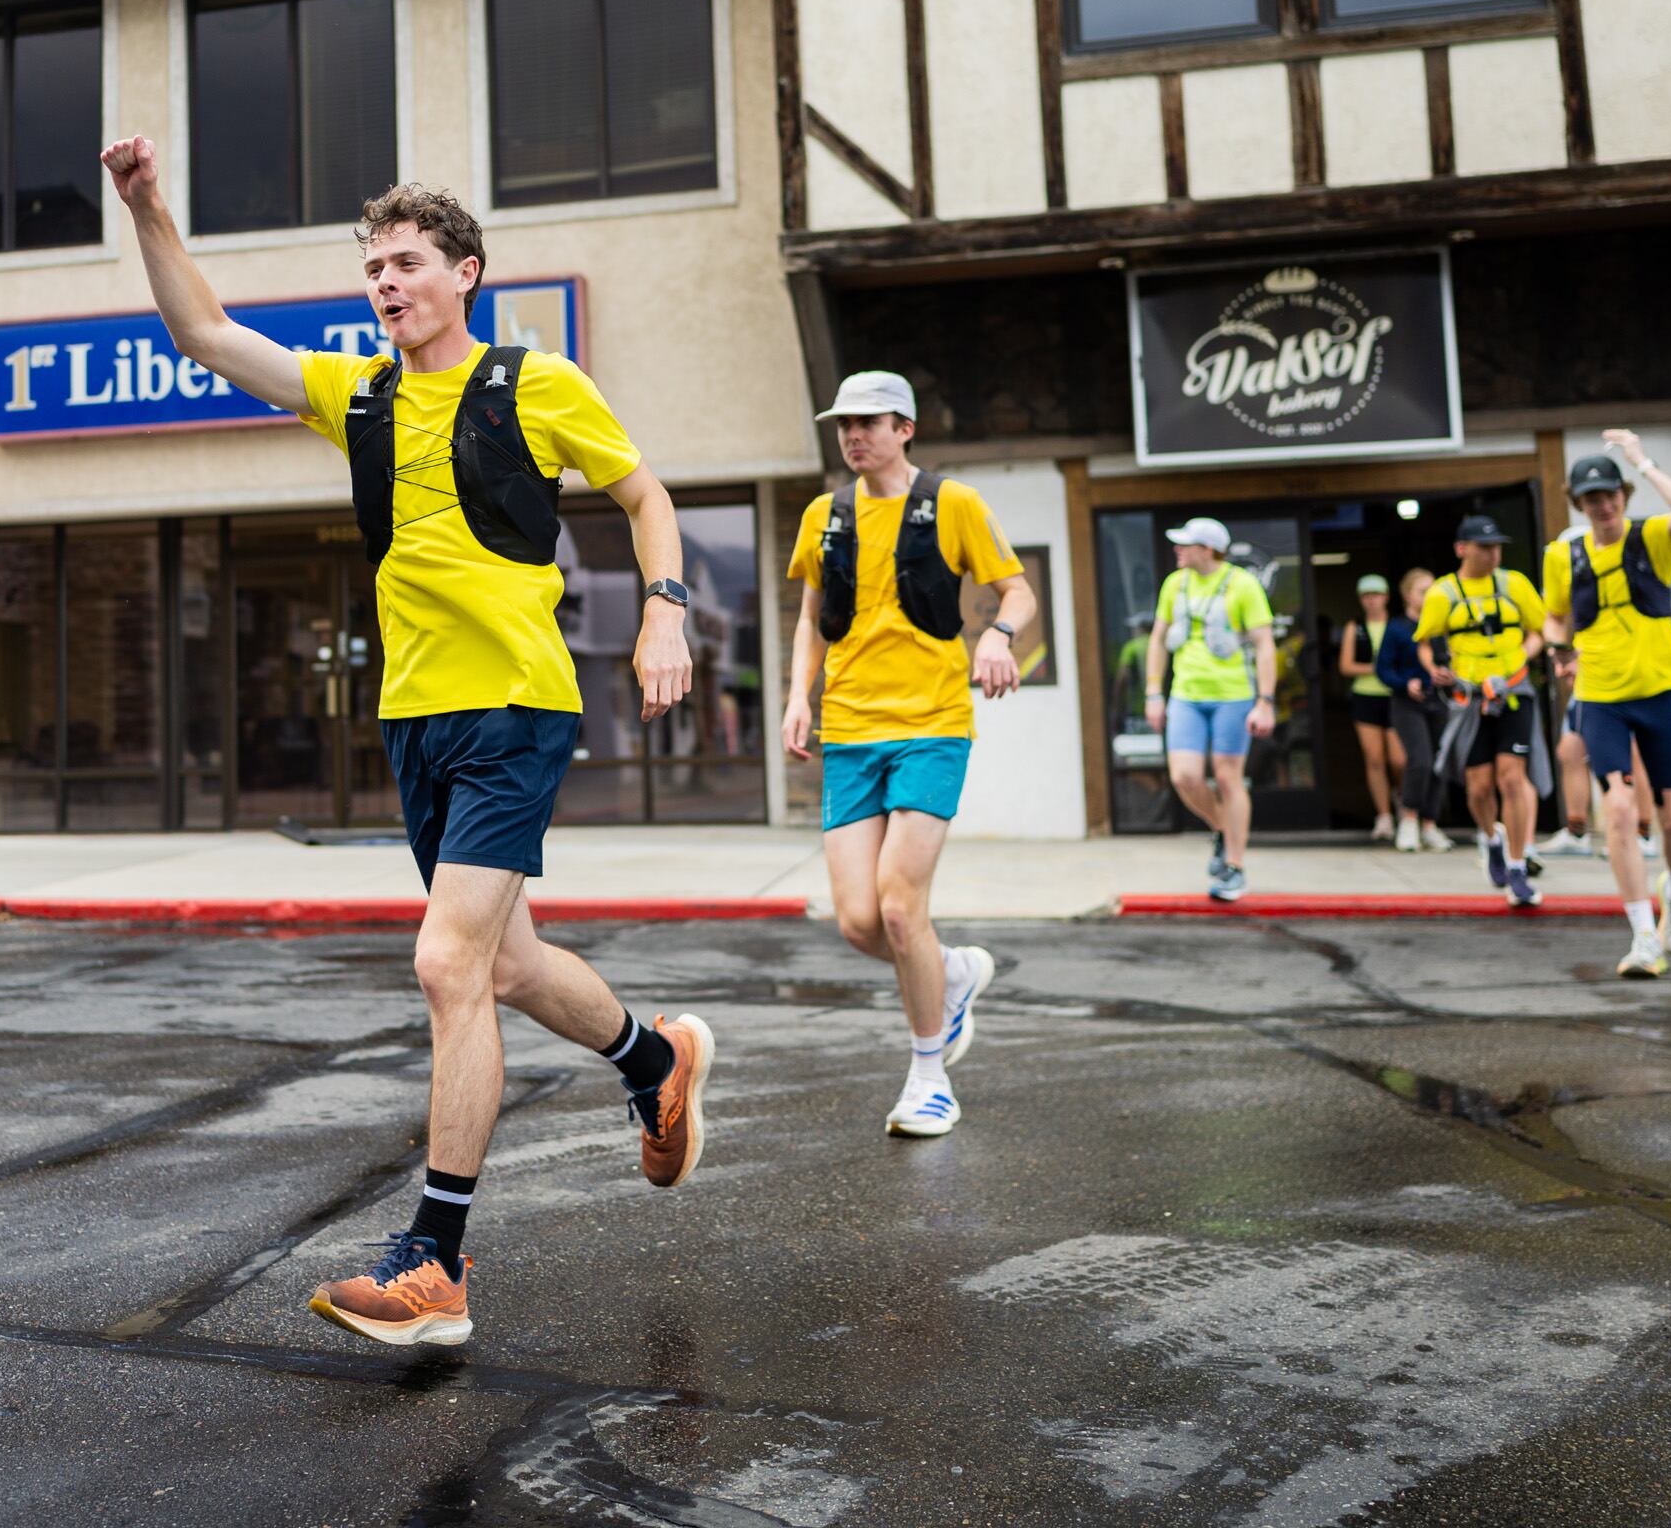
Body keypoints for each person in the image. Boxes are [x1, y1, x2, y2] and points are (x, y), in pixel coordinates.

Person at [99, 137, 714, 1347]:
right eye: (374, 267)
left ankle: (436, 1259)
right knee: (511, 966)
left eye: (409, 262)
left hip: (514, 705)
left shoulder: (538, 384)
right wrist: (148, 209)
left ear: (465, 273)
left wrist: (664, 609)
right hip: (415, 718)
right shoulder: (360, 393)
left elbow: (645, 495)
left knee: (446, 965)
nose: (387, 284)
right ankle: (655, 1060)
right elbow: (208, 336)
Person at [779, 370, 1032, 1138]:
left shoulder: (951, 504)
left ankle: (930, 1076)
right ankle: (951, 973)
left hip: (931, 723)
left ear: (905, 428)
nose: (853, 434)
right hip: (851, 732)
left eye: (869, 421)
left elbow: (1016, 591)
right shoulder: (825, 514)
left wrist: (998, 633)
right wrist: (799, 697)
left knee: (898, 906)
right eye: (844, 423)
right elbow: (812, 618)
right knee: (859, 921)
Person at [1542, 430, 1671, 979]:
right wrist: (1559, 649)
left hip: (1658, 690)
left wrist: (1640, 459)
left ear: (1624, 495)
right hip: (1600, 696)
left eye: (1611, 494)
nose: (1604, 505)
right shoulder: (1563, 555)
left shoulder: (1653, 537)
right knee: (1616, 808)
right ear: (1580, 504)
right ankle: (1642, 936)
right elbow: (1554, 616)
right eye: (1592, 498)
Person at [1413, 516, 1548, 909]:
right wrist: (1432, 668)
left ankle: (1518, 866)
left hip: (1513, 692)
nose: (1492, 554)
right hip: (1469, 699)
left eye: (1496, 547)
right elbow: (1424, 641)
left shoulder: (1514, 585)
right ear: (1462, 548)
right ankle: (1491, 838)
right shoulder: (1443, 593)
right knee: (1479, 787)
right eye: (1483, 546)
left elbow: (1540, 629)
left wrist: (1523, 657)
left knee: (1511, 778)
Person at [1144, 519, 1277, 902]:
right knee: (1184, 777)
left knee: (1227, 776)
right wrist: (1154, 693)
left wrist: (1264, 702)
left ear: (1207, 549)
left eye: (1186, 545)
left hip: (1232, 696)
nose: (1178, 550)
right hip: (1186, 694)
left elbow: (1265, 644)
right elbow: (1157, 640)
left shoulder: (1243, 585)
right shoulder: (1176, 584)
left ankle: (1234, 865)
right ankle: (1223, 828)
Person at [1538, 536, 1661, 863]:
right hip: (1588, 684)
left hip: (1623, 682)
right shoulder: (1570, 586)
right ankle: (1577, 832)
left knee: (1634, 755)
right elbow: (1557, 623)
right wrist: (1564, 656)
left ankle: (1643, 833)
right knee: (1571, 751)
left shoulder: (1622, 577)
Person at [1379, 568, 1455, 854]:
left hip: (1440, 700)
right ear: (1407, 595)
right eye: (1423, 591)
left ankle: (1430, 824)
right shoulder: (1397, 628)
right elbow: (1383, 669)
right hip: (1407, 703)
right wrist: (1404, 683)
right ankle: (1409, 818)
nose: (1429, 596)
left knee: (1439, 762)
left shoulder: (1442, 629)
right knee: (1420, 759)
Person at [1337, 572, 1403, 843]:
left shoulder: (1397, 626)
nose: (1372, 601)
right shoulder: (1357, 627)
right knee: (1374, 758)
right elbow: (1346, 665)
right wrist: (1377, 669)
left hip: (1395, 696)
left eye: (1376, 595)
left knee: (1399, 759)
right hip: (1366, 696)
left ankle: (1403, 800)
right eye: (1366, 596)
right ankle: (1384, 814)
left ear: (1386, 597)